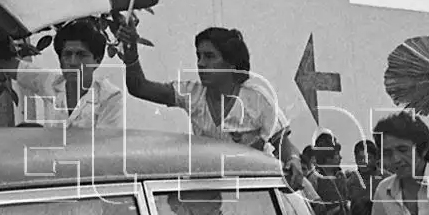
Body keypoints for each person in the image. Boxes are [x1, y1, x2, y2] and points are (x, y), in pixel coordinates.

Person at [117, 21, 302, 186]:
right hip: (211, 186)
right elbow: (139, 87)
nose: (201, 63)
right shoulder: (192, 94)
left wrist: (293, 160)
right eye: (199, 56)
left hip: (254, 188)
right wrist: (130, 48)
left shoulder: (257, 99)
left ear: (231, 64)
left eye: (210, 56)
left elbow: (283, 144)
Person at [54, 17, 124, 130]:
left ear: (97, 61)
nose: (73, 62)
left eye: (81, 55)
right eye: (67, 55)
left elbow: (104, 140)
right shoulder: (50, 83)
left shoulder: (110, 97)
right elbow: (22, 68)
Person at [306, 132, 360, 215]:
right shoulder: (314, 178)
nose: (340, 157)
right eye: (337, 154)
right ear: (327, 156)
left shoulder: (340, 176)